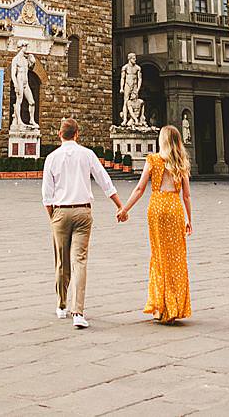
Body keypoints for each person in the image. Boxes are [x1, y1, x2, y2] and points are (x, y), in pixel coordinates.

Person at [40, 116, 120, 331]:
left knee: (61, 261)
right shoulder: (87, 154)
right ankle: (78, 312)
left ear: (59, 134)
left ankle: (61, 304)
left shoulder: (52, 158)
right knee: (80, 261)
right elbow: (105, 181)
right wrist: (119, 206)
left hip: (60, 211)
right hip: (83, 211)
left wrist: (53, 217)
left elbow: (46, 194)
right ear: (77, 134)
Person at [117, 122, 193, 324]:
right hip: (174, 208)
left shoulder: (153, 160)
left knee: (159, 257)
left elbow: (140, 189)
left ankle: (160, 309)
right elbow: (186, 196)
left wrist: (125, 209)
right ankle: (174, 306)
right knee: (176, 258)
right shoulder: (182, 163)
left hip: (157, 208)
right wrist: (189, 220)